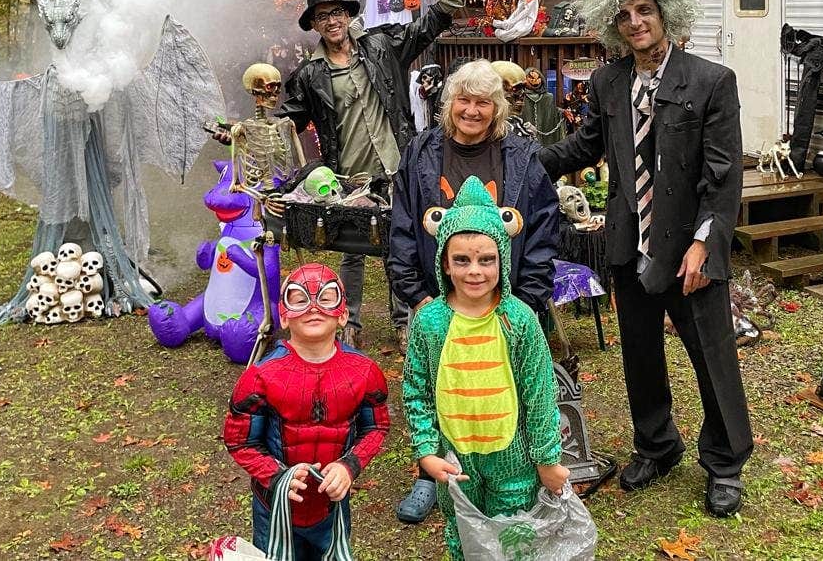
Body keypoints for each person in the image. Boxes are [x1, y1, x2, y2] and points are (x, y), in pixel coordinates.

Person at [540, 0, 752, 518]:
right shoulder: (609, 82)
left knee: (711, 356)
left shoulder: (710, 80)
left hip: (687, 247)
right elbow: (585, 146)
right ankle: (657, 446)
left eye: (644, 10)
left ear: (665, 14)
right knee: (640, 355)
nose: (635, 22)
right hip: (627, 245)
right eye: (624, 15)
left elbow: (723, 174)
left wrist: (705, 243)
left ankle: (725, 462)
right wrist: (521, 159)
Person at [387, 58, 560, 524]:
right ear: (449, 104)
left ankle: (517, 473)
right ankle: (431, 474)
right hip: (439, 301)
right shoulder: (421, 153)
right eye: (463, 99)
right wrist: (418, 295)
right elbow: (403, 225)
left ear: (497, 108)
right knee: (438, 386)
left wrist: (525, 300)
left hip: (503, 304)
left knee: (506, 389)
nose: (472, 110)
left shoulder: (521, 158)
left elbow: (543, 230)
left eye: (483, 102)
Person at [278, 0, 469, 350]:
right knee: (352, 251)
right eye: (322, 16)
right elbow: (287, 120)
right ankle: (350, 322)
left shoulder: (381, 46)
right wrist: (248, 132)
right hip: (350, 176)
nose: (331, 21)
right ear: (314, 25)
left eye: (336, 13)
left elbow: (427, 27)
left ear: (346, 16)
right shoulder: (310, 74)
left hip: (396, 164)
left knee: (398, 245)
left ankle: (403, 322)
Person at [402, 176, 568, 561]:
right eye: (462, 260)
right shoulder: (430, 323)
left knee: (514, 539)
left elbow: (540, 395)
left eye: (486, 259)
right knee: (463, 537)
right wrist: (426, 450)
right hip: (454, 462)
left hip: (514, 461)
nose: (474, 271)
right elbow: (416, 391)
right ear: (445, 262)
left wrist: (547, 459)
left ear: (502, 260)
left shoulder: (518, 320)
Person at [223, 262, 390, 560]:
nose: (313, 307)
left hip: (332, 505)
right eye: (300, 299)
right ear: (284, 316)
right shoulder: (260, 376)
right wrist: (275, 476)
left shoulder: (365, 371)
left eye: (326, 298)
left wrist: (349, 466)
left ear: (343, 314)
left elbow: (376, 426)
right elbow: (239, 440)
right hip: (274, 508)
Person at [523, 66, 565, 143]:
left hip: (545, 139)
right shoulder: (520, 97)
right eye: (531, 78)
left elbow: (553, 112)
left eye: (537, 78)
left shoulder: (548, 97)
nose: (534, 81)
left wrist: (563, 112)